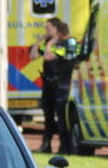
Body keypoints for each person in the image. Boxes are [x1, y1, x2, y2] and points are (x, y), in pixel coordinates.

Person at [29, 17, 79, 154]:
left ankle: (65, 147)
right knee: (48, 116)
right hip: (48, 85)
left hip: (61, 85)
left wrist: (50, 42)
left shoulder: (68, 43)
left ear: (57, 29)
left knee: (62, 118)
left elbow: (48, 57)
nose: (46, 30)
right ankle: (46, 145)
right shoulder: (48, 42)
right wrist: (40, 41)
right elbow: (33, 56)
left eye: (48, 28)